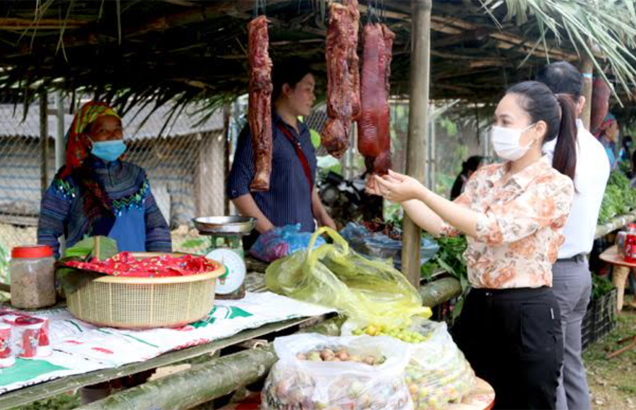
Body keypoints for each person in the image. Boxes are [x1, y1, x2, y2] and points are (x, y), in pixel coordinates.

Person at [368, 81, 576, 409]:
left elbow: (493, 229)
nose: (497, 129)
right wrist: (397, 193)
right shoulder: (485, 177)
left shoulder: (554, 186)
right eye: (496, 121)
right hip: (479, 306)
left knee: (525, 403)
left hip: (527, 314)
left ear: (537, 130)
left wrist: (422, 192)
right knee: (467, 399)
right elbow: (444, 224)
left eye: (506, 122)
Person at [537, 62, 610, 410]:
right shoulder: (596, 149)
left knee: (552, 373)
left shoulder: (547, 150)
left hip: (554, 274)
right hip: (579, 273)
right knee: (571, 366)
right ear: (580, 103)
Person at [38, 101, 172, 258]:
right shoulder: (69, 181)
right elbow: (48, 231)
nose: (113, 135)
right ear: (86, 138)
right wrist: (50, 271)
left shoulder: (136, 176)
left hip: (136, 274)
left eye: (117, 129)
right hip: (88, 277)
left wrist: (161, 265)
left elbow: (156, 227)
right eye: (103, 130)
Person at [227, 60, 336, 248]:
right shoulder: (261, 131)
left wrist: (321, 215)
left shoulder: (303, 132)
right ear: (287, 89)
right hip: (270, 249)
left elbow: (306, 181)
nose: (313, 96)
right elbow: (237, 188)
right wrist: (273, 235)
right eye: (308, 89)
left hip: (304, 245)